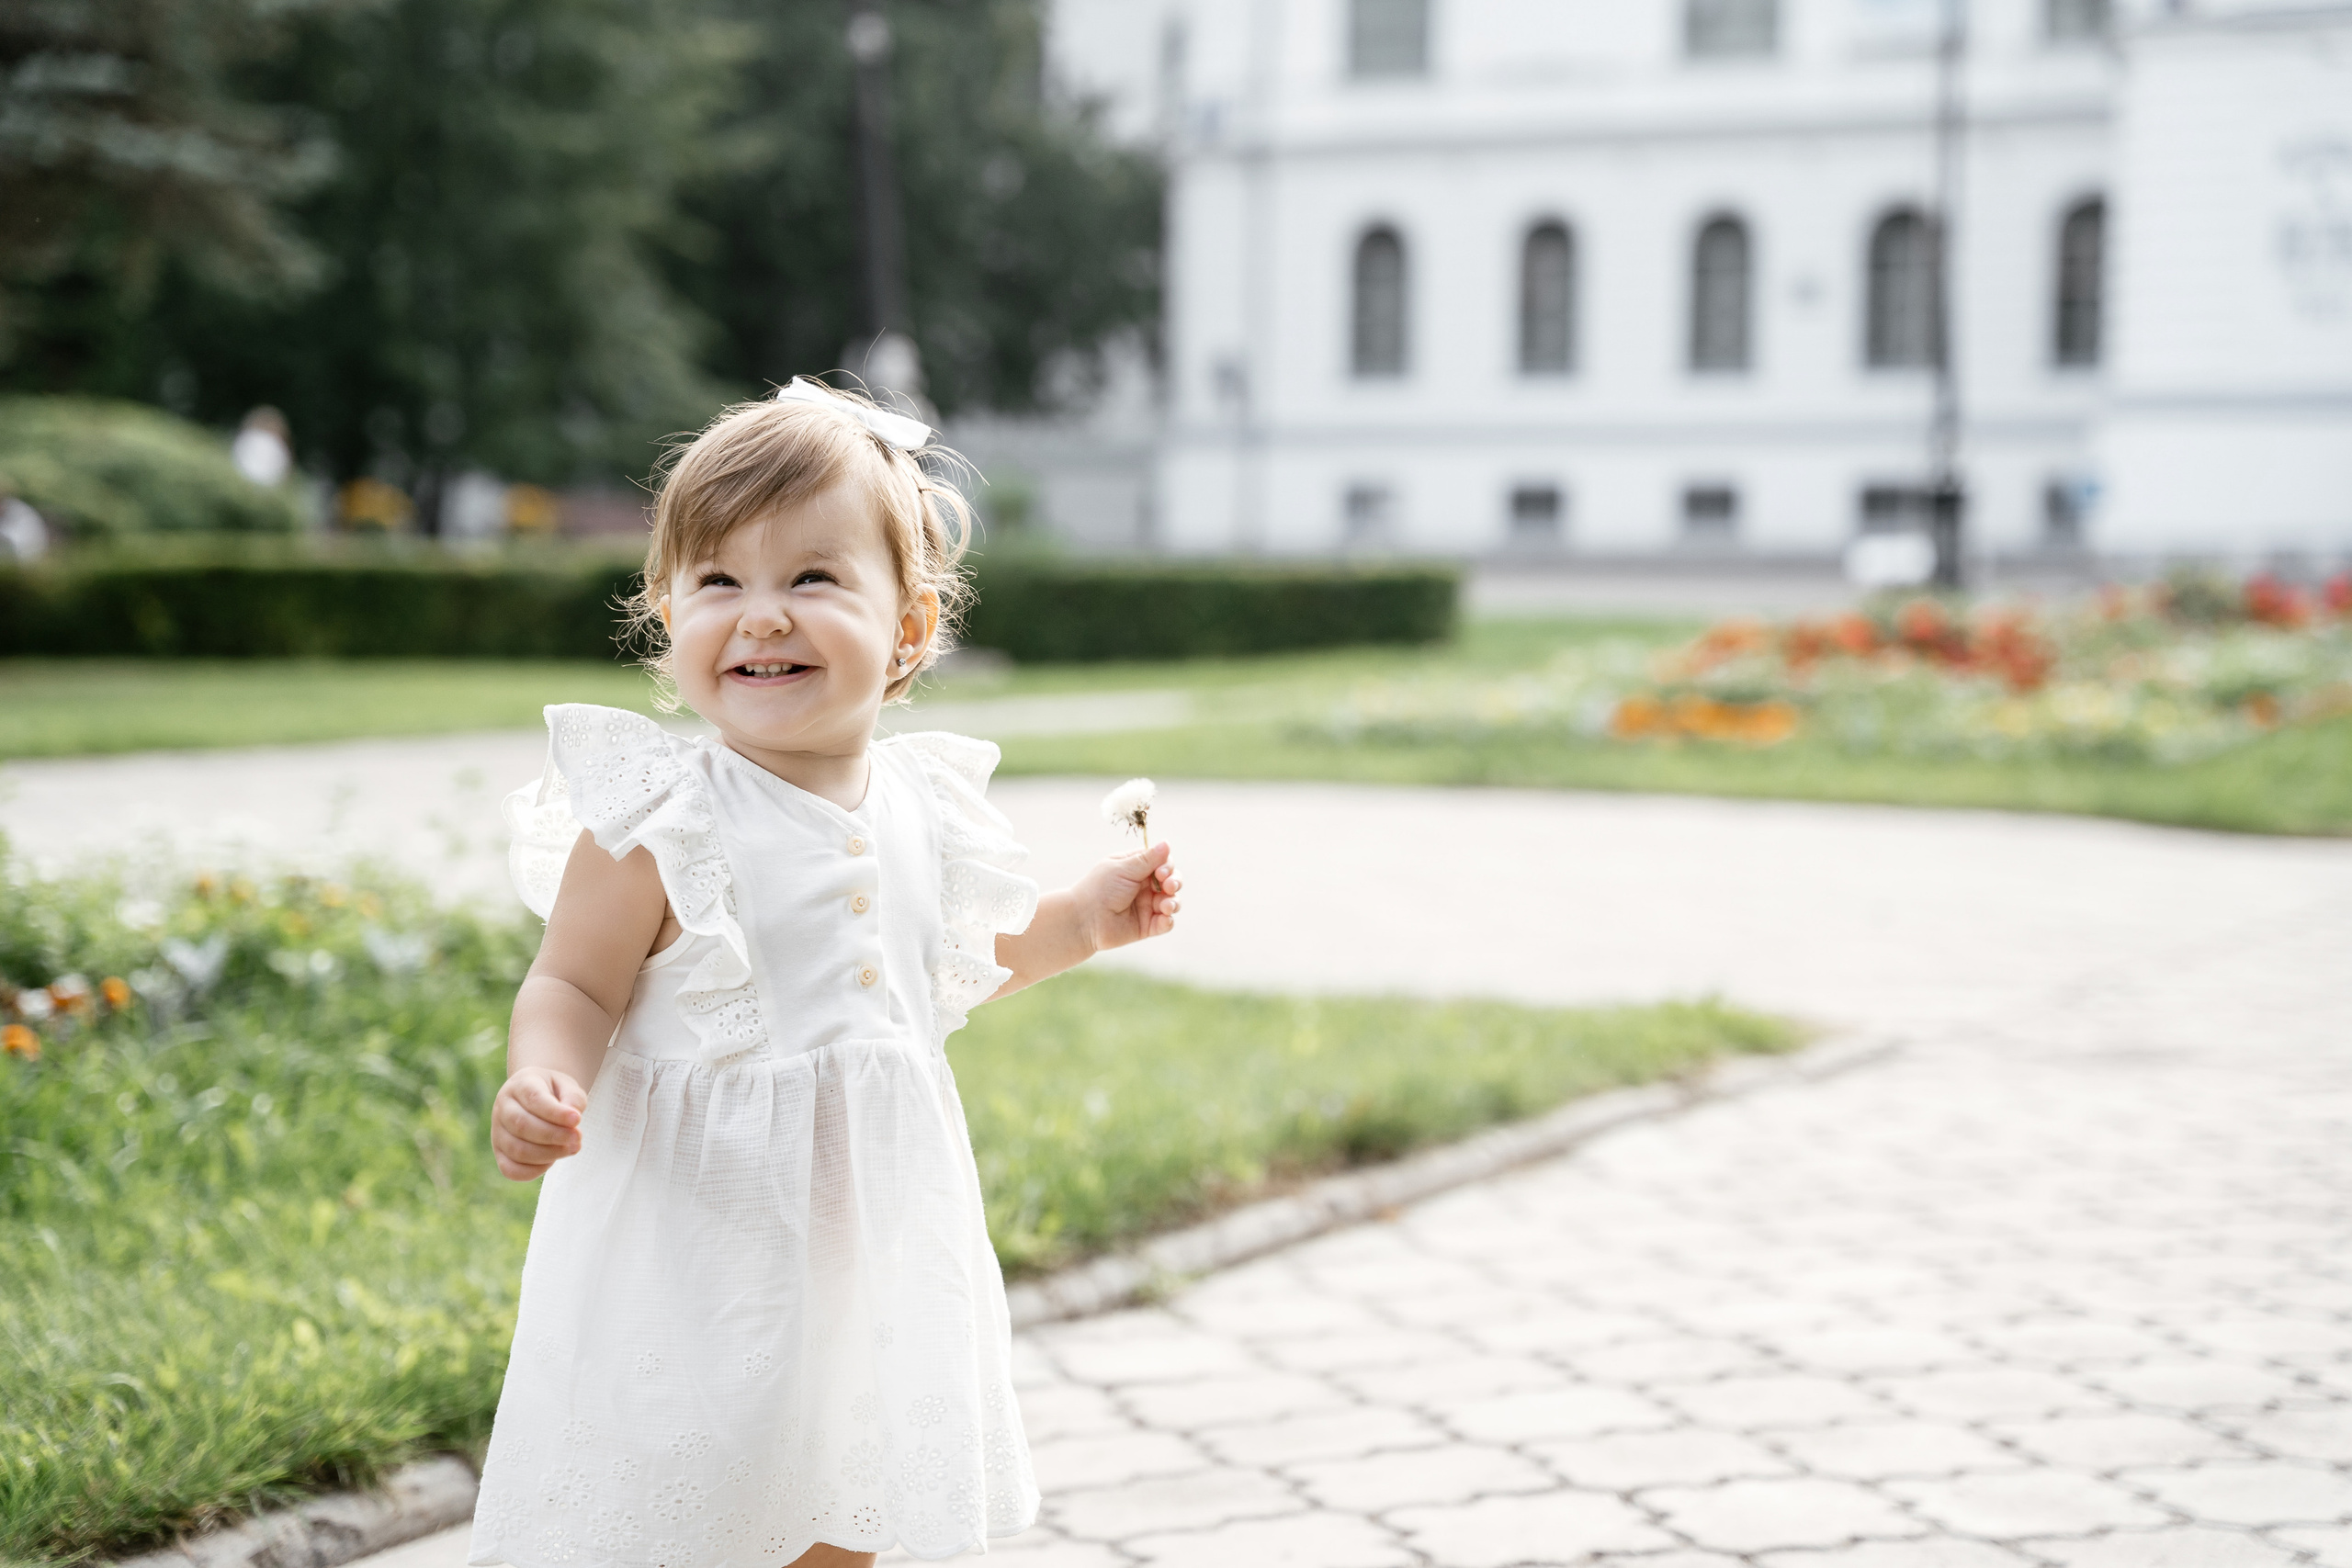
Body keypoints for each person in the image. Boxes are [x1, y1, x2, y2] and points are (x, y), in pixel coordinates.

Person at [467, 379, 1182, 1568]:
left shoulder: (920, 805)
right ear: (665, 612)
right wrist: (542, 1077)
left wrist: (1080, 924)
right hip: (698, 1252)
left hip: (869, 1240)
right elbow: (573, 986)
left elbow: (932, 977)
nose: (761, 617)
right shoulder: (661, 817)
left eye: (811, 579)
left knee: (850, 1479)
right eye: (718, 583)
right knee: (698, 1497)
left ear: (908, 626)